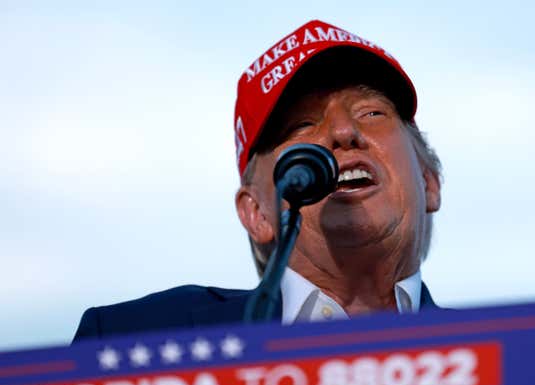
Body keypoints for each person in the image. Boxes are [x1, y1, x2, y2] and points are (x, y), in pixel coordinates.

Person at [72, 19, 442, 342]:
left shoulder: (499, 356)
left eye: (371, 112)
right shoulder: (130, 338)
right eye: (301, 125)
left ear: (429, 182)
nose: (344, 131)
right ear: (256, 213)